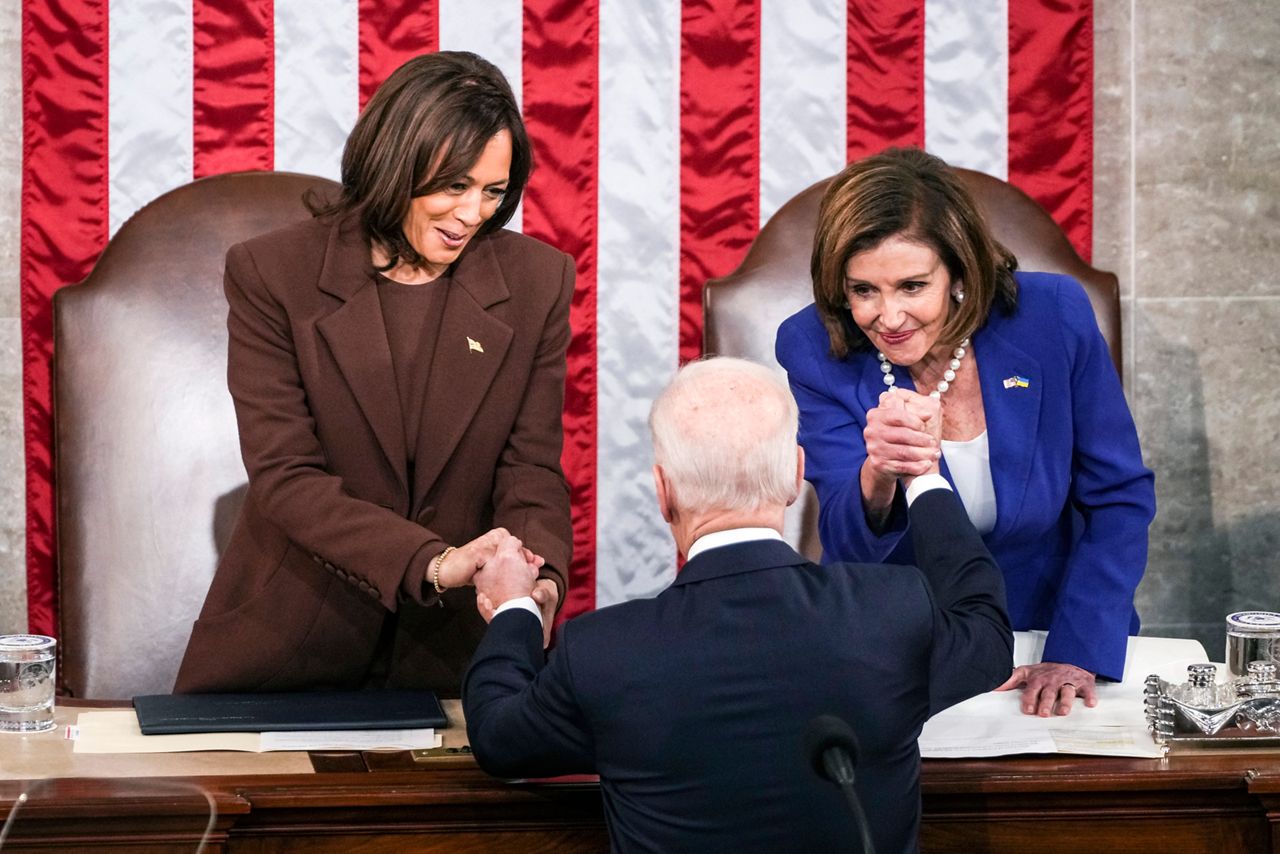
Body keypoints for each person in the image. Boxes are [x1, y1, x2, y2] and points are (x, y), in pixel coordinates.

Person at [463, 357, 1011, 853]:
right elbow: (985, 632)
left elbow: (498, 738)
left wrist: (516, 607)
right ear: (797, 476)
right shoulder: (889, 610)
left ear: (663, 491)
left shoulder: (604, 652)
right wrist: (921, 473)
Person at [174, 52, 573, 696]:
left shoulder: (537, 281)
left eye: (493, 191)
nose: (472, 213)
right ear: (395, 164)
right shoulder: (273, 275)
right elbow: (287, 478)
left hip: (463, 653)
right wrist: (433, 563)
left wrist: (538, 574)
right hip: (293, 642)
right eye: (453, 185)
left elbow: (530, 468)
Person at [775, 147, 1156, 717]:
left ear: (959, 270)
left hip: (1052, 631)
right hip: (901, 644)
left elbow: (1118, 498)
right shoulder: (812, 347)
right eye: (863, 291)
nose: (889, 317)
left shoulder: (1054, 316)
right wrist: (877, 473)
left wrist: (1075, 651)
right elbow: (847, 544)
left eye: (911, 286)